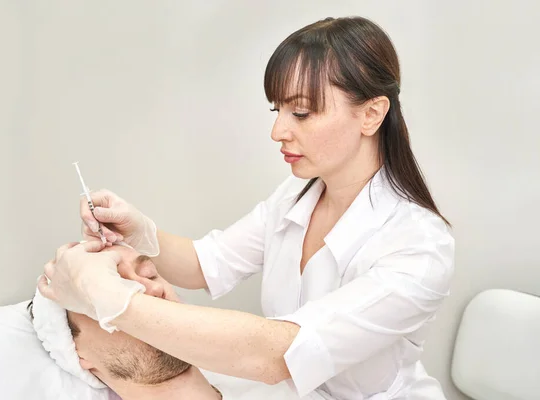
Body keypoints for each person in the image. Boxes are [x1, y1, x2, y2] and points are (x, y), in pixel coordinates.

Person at [38, 16, 455, 399]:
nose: (278, 131)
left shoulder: (419, 246)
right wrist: (139, 231)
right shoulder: (294, 200)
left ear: (371, 114)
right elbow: (206, 264)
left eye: (302, 112)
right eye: (278, 110)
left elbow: (280, 354)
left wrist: (106, 297)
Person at [29, 243, 224, 400]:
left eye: (149, 273)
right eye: (108, 296)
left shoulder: (252, 380)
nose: (152, 289)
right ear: (74, 351)